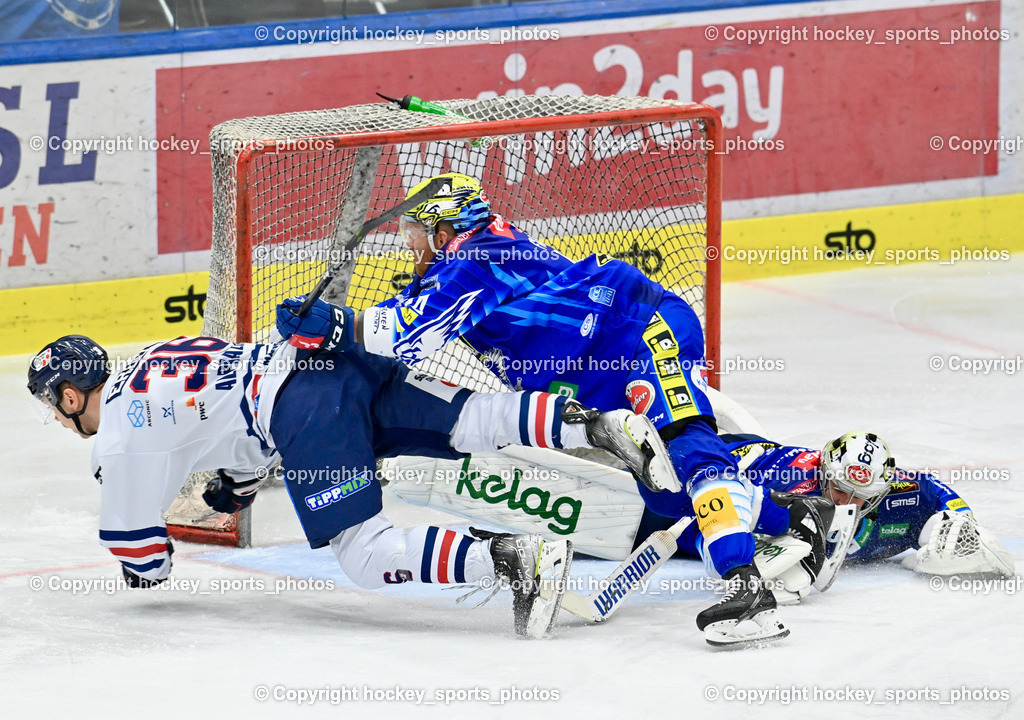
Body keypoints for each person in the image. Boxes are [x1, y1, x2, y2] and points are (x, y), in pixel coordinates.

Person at [276, 172, 833, 646]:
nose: (412, 248)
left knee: (686, 444)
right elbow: (411, 323)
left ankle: (745, 588)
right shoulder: (472, 259)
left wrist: (331, 324)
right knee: (660, 486)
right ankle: (798, 509)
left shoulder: (479, 258)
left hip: (639, 332)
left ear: (447, 229)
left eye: (420, 235)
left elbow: (405, 333)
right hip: (597, 369)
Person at [27, 333, 674, 639]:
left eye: (53, 405)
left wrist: (144, 567)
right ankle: (596, 423)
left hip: (305, 412)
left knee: (364, 554)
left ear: (72, 392)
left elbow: (142, 554)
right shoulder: (150, 356)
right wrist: (238, 487)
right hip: (332, 364)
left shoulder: (117, 435)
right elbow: (227, 420)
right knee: (471, 420)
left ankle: (510, 556)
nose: (57, 418)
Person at [654, 430, 1016, 602]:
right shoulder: (789, 477)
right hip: (719, 464)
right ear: (824, 473)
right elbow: (720, 501)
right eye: (840, 489)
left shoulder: (903, 493)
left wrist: (961, 523)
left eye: (862, 497)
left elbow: (940, 494)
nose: (849, 502)